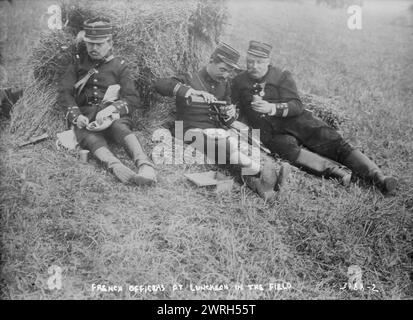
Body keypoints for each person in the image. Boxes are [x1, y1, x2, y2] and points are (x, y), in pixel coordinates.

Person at [231, 40, 397, 194]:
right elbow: (233, 105)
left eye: (259, 62)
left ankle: (379, 177)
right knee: (288, 151)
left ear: (268, 61)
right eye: (250, 62)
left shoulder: (282, 76)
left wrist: (272, 107)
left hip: (296, 121)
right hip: (270, 131)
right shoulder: (239, 81)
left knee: (331, 140)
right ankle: (338, 173)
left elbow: (296, 105)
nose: (253, 66)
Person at [154, 42, 289, 201]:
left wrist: (230, 114)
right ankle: (262, 174)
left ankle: (261, 185)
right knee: (226, 145)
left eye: (229, 72)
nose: (225, 76)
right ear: (211, 60)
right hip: (188, 132)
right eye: (223, 69)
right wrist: (190, 91)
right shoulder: (190, 77)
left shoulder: (223, 85)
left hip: (214, 131)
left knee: (242, 141)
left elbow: (226, 111)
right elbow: (160, 84)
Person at [58, 18, 156, 185]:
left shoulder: (120, 66)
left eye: (99, 44)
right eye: (90, 44)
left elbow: (132, 99)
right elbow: (64, 94)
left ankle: (145, 165)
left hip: (114, 116)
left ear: (110, 43)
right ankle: (116, 167)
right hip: (87, 117)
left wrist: (111, 110)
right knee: (89, 136)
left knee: (120, 127)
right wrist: (77, 117)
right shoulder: (77, 64)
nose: (94, 48)